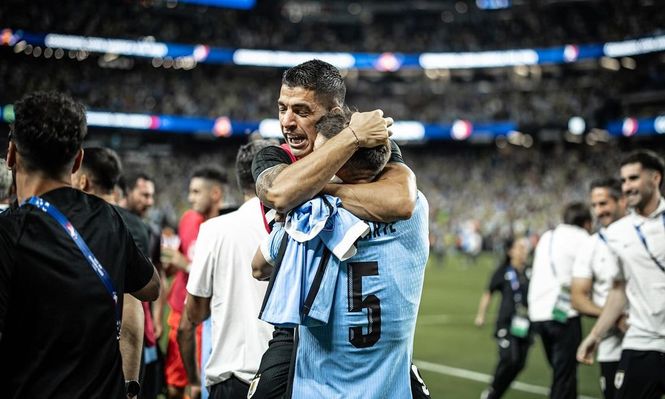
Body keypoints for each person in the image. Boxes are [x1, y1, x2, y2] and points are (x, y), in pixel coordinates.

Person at [249, 59, 426, 399]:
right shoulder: (274, 155)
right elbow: (278, 193)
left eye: (301, 110)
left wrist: (317, 192)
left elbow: (403, 200)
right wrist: (351, 138)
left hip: (364, 322)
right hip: (298, 321)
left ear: (333, 112)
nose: (287, 121)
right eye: (282, 108)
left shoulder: (370, 148)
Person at [0, 91, 160, 398]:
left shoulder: (9, 232)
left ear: (10, 155)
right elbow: (150, 287)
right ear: (78, 160)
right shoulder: (109, 218)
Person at [184, 141, 275, 398]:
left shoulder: (215, 229)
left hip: (231, 377)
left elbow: (195, 312)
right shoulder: (295, 225)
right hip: (283, 374)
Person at [577, 150, 665, 399]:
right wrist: (595, 335)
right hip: (641, 342)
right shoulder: (616, 234)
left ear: (655, 178)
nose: (626, 187)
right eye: (624, 180)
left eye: (633, 178)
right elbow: (618, 291)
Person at [71, 146, 151, 397]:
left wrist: (128, 381)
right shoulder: (135, 224)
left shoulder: (109, 223)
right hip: (127, 351)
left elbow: (132, 299)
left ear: (83, 181)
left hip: (114, 357)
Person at [162, 167, 226, 399]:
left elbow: (220, 275)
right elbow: (176, 260)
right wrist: (169, 264)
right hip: (180, 310)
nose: (191, 198)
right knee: (174, 385)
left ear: (215, 193)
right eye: (191, 191)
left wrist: (185, 264)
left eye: (197, 192)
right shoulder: (188, 220)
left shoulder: (226, 227)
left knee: (199, 386)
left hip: (207, 315)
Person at [527, 202, 591, 399]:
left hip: (538, 313)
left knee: (563, 374)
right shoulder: (583, 238)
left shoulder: (548, 236)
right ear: (587, 222)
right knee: (564, 377)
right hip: (564, 314)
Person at [571, 177, 627, 399]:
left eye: (603, 203)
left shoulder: (647, 234)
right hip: (611, 344)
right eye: (594, 205)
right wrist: (614, 319)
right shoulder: (590, 245)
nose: (598, 211)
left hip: (652, 338)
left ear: (621, 201)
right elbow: (578, 297)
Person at [475, 237, 531, 399]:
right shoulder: (503, 271)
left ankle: (495, 394)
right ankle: (492, 390)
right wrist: (481, 315)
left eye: (525, 248)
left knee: (519, 363)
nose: (523, 251)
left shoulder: (530, 271)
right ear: (511, 251)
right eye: (520, 247)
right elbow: (488, 293)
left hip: (526, 325)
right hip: (506, 324)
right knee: (509, 358)